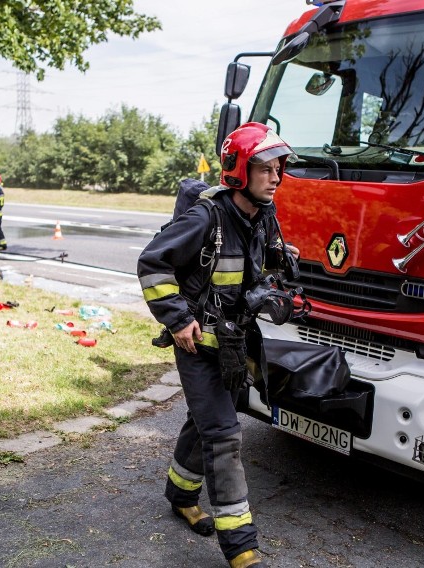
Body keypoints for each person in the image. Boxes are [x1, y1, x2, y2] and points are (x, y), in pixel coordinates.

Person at [137, 123, 299, 568]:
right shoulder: (205, 217)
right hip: (197, 348)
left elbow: (261, 272)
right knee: (225, 436)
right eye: (265, 168)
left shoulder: (262, 217)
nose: (275, 177)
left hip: (234, 344)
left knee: (205, 421)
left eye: (278, 168)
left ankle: (180, 495)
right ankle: (242, 547)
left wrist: (278, 289)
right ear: (238, 170)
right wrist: (179, 319)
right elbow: (152, 264)